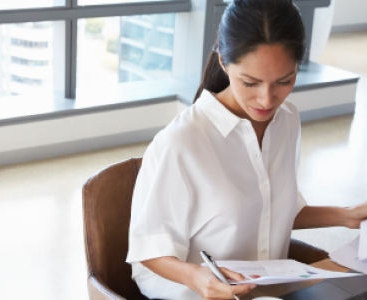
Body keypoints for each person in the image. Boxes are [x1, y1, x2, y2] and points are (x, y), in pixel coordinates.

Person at [126, 0, 367, 299]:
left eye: (284, 80)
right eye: (250, 82)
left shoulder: (288, 120)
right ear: (224, 62)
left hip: (267, 290)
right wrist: (200, 279)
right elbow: (148, 251)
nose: (267, 100)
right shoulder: (181, 142)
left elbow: (273, 210)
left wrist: (348, 216)